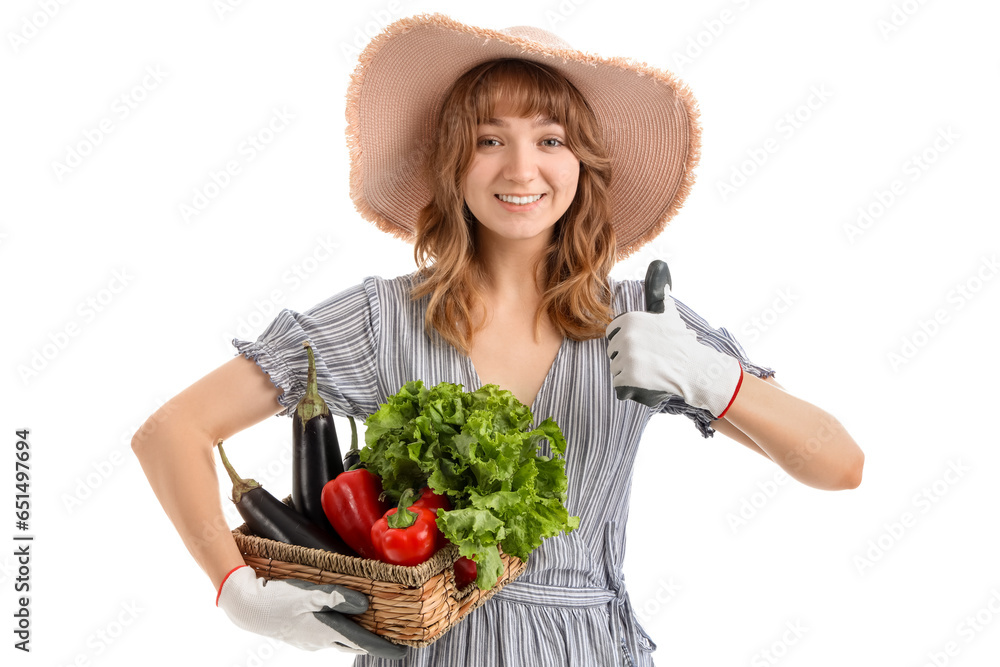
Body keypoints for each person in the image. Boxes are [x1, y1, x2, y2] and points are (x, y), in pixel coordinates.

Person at [132, 13, 865, 667]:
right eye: (490, 140)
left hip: (589, 649)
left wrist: (711, 377)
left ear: (583, 164)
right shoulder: (378, 318)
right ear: (455, 163)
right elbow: (171, 431)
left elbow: (839, 463)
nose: (522, 169)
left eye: (550, 140)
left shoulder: (645, 317)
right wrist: (233, 585)